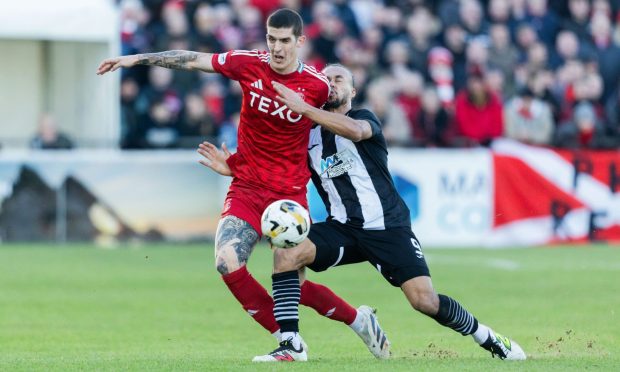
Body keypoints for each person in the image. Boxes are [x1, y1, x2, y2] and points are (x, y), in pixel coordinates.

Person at [98, 8, 389, 360]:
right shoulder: (247, 63)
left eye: (284, 41)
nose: (277, 48)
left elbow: (340, 118)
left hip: (288, 195)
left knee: (292, 287)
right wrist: (135, 58)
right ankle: (289, 340)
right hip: (247, 186)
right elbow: (191, 59)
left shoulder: (316, 86)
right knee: (226, 260)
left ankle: (358, 320)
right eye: (271, 39)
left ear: (300, 41)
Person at [249, 64, 525, 362]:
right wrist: (235, 167)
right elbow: (274, 166)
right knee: (286, 254)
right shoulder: (308, 137)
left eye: (338, 79)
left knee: (424, 301)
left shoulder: (363, 118)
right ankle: (291, 345)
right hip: (343, 228)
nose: (330, 83)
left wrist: (303, 108)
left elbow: (355, 132)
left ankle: (487, 337)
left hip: (387, 227)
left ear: (352, 91)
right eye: (325, 79)